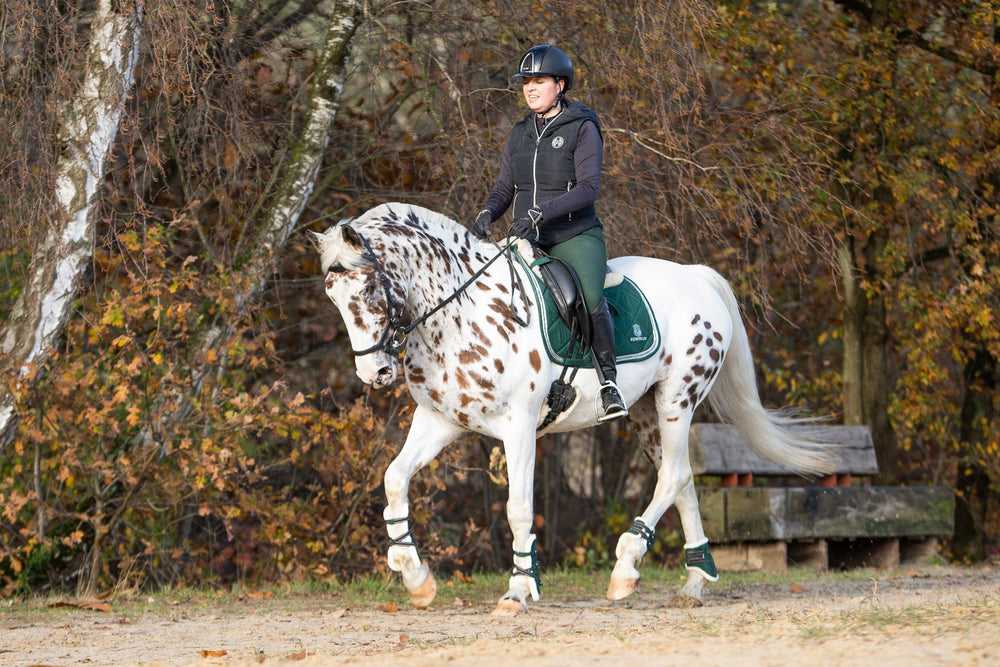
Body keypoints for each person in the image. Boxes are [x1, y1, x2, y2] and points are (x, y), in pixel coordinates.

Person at [471, 44, 627, 422]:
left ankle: (609, 383)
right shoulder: (519, 133)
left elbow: (589, 188)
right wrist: (487, 213)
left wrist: (540, 214)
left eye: (538, 81)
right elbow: (505, 188)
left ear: (560, 84)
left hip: (575, 235)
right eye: (526, 82)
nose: (530, 88)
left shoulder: (582, 127)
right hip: (526, 238)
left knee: (588, 297)